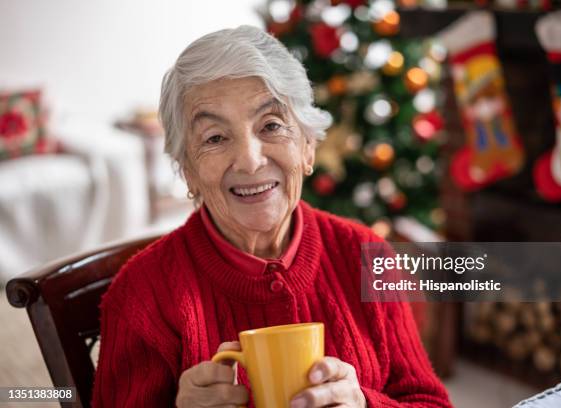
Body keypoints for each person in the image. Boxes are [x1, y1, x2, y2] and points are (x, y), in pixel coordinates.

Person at [92, 25, 452, 407]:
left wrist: (365, 404)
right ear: (188, 172)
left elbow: (429, 402)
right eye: (215, 137)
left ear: (308, 148)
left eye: (271, 126)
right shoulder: (141, 295)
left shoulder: (368, 255)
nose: (250, 161)